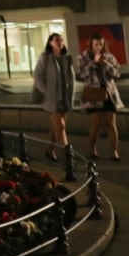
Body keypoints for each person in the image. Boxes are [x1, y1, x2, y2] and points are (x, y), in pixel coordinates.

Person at [77, 33, 123, 161]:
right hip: (93, 93)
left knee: (111, 123)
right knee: (96, 123)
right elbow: (82, 73)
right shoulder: (83, 56)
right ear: (91, 44)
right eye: (96, 44)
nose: (99, 47)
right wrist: (94, 62)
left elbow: (117, 72)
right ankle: (92, 148)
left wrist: (106, 64)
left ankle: (114, 152)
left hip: (109, 93)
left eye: (101, 44)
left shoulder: (109, 56)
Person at [32, 32, 74, 160]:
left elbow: (71, 79)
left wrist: (70, 96)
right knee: (60, 127)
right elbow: (37, 76)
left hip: (64, 98)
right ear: (50, 43)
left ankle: (50, 150)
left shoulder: (66, 58)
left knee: (56, 127)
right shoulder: (45, 57)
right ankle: (67, 158)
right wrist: (46, 91)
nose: (60, 42)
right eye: (56, 40)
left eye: (61, 40)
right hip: (51, 99)